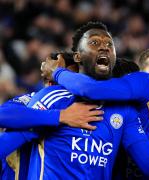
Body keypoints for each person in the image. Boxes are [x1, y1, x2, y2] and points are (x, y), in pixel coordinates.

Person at [25, 22, 149, 179]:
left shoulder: (131, 104)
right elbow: (11, 128)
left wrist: (57, 72)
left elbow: (91, 89)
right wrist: (58, 116)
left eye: (109, 44)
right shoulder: (53, 97)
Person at [0, 52, 103, 180]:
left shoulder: (99, 113)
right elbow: (2, 116)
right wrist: (60, 116)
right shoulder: (29, 101)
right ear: (50, 84)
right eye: (67, 81)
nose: (75, 86)